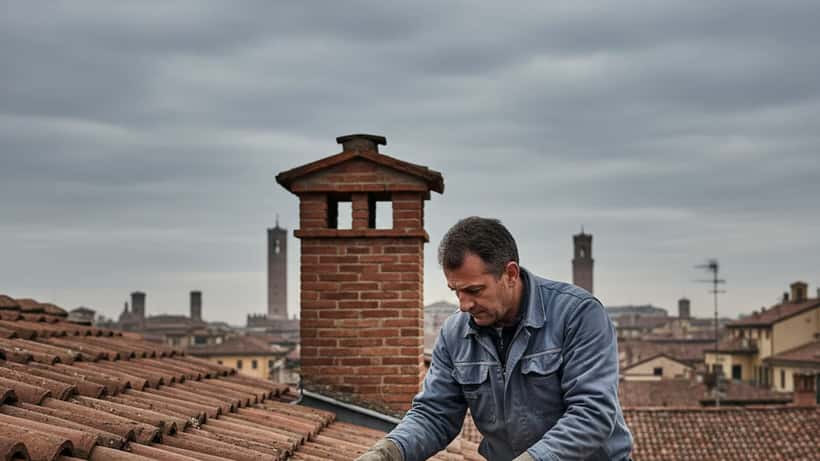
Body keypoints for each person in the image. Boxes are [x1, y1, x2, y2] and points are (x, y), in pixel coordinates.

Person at [356, 217, 632, 461]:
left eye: (474, 290)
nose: (464, 305)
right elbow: (434, 415)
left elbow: (592, 414)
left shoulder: (577, 315)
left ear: (510, 274)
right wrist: (388, 452)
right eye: (456, 291)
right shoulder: (455, 334)